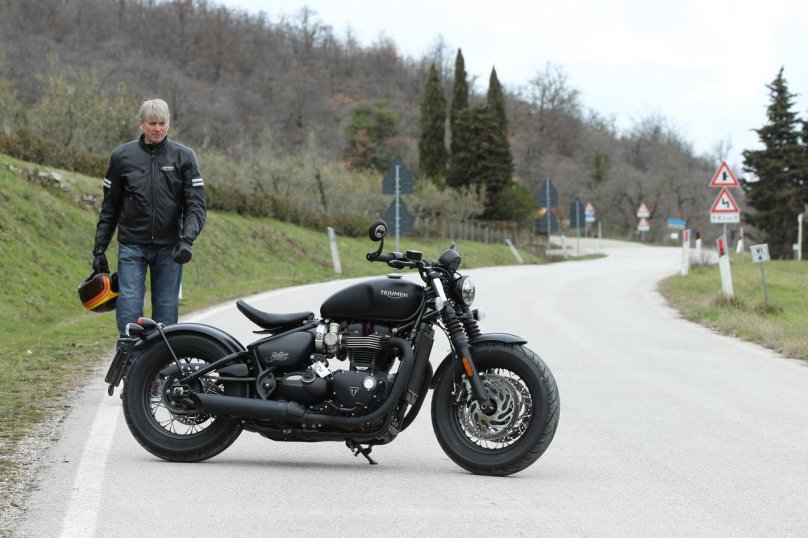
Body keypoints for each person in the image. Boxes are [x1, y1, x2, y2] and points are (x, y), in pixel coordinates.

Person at [91, 98, 206, 337]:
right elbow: (110, 208)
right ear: (141, 125)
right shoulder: (122, 156)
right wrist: (99, 249)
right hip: (132, 246)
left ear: (169, 124)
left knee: (165, 312)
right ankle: (130, 366)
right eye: (152, 123)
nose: (157, 128)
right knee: (129, 306)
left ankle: (164, 371)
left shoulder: (184, 157)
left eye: (162, 123)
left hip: (170, 248)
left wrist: (187, 239)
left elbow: (196, 206)